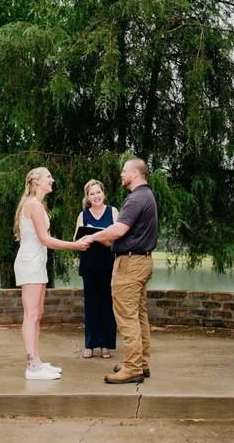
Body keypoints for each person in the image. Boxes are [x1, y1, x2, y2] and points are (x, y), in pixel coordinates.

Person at [78, 158, 158, 384]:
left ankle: (132, 368)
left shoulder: (135, 198)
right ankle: (141, 362)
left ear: (135, 173)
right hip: (142, 262)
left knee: (127, 317)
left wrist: (92, 236)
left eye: (124, 171)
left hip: (131, 265)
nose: (121, 174)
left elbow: (119, 229)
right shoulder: (147, 196)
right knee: (139, 315)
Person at [14, 166, 88, 380]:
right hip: (30, 262)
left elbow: (43, 240)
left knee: (38, 313)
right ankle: (32, 366)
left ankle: (37, 360)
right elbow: (45, 240)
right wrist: (75, 246)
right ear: (37, 181)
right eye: (48, 177)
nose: (52, 180)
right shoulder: (33, 205)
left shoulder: (38, 205)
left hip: (37, 261)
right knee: (31, 315)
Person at [73, 179, 118, 360]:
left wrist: (97, 236)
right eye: (92, 194)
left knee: (107, 305)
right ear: (88, 197)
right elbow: (76, 240)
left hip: (108, 265)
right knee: (91, 306)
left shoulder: (113, 211)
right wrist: (86, 238)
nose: (96, 196)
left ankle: (106, 345)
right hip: (89, 265)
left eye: (98, 192)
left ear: (103, 192)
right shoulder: (83, 215)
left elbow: (117, 239)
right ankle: (89, 345)